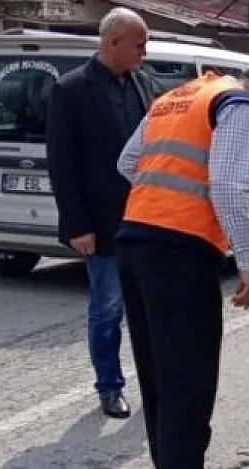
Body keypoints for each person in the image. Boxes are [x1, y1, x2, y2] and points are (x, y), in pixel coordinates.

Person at [115, 64, 249, 469]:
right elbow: (230, 186)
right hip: (178, 252)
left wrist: (161, 200)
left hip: (135, 244)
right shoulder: (239, 104)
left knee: (159, 379)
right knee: (189, 381)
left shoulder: (176, 98)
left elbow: (127, 164)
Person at [47, 7, 159, 419]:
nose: (144, 54)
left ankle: (155, 382)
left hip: (147, 219)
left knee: (148, 308)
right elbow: (61, 164)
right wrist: (77, 225)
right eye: (139, 45)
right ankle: (110, 387)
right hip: (101, 224)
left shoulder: (144, 84)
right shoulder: (71, 90)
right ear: (113, 42)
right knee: (108, 308)